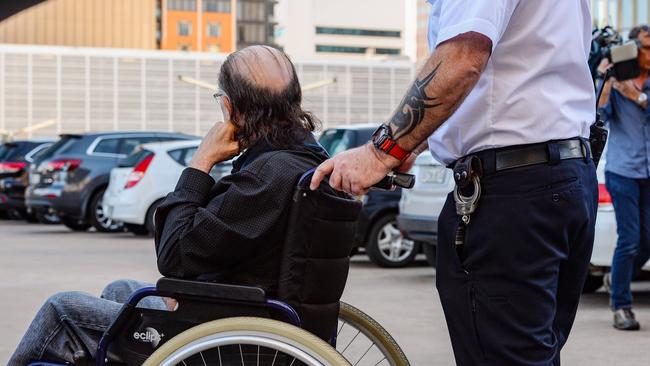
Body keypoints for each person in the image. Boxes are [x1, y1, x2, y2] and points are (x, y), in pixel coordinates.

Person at [9, 45, 342, 365]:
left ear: (230, 108)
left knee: (62, 309)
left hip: (230, 334)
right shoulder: (305, 160)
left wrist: (201, 162)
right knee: (120, 290)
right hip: (256, 315)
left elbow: (174, 256)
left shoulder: (268, 175)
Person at [311, 1, 598, 365]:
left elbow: (463, 58)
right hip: (563, 177)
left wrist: (381, 151)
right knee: (531, 352)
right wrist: (412, 142)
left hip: (514, 191)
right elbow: (513, 82)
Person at [597, 25, 650, 331]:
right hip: (623, 172)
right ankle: (622, 305)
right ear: (630, 49)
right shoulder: (618, 83)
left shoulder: (639, 85)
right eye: (644, 47)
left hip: (648, 173)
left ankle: (617, 277)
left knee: (646, 241)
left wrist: (637, 96)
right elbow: (598, 117)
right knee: (629, 240)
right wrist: (607, 80)